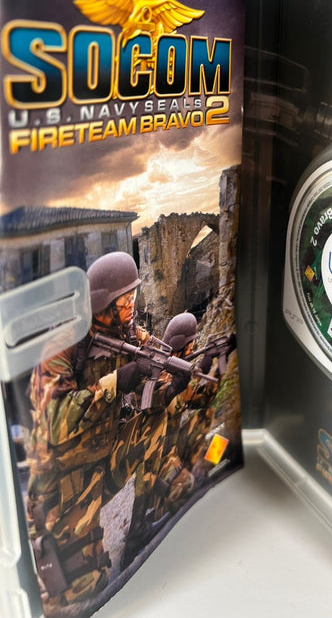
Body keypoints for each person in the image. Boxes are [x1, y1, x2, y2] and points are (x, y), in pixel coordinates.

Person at [25, 252, 179, 612]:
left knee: (154, 420)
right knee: (84, 590)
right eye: (123, 301)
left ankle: (140, 525)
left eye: (133, 297)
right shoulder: (61, 345)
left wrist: (173, 385)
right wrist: (114, 383)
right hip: (62, 480)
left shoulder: (128, 333)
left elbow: (158, 371)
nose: (131, 306)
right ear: (102, 303)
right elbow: (55, 422)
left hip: (102, 457)